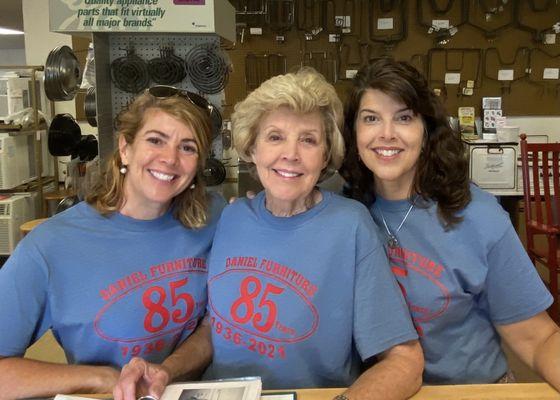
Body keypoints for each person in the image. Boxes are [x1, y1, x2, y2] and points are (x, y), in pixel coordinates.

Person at [114, 68, 423, 400]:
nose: (290, 154)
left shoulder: (350, 226)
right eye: (275, 137)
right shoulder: (231, 217)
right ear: (252, 148)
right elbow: (213, 329)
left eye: (308, 140)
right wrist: (167, 370)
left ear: (325, 156)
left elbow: (404, 361)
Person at [340, 57, 560, 389]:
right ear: (353, 133)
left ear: (426, 132)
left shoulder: (478, 217)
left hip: (472, 391)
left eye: (404, 118)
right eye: (371, 118)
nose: (386, 134)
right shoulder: (341, 210)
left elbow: (538, 339)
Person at [0, 86, 225, 399]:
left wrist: (167, 370)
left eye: (187, 148)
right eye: (155, 140)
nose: (170, 159)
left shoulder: (211, 218)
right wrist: (104, 378)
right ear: (125, 148)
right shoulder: (51, 246)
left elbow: (213, 324)